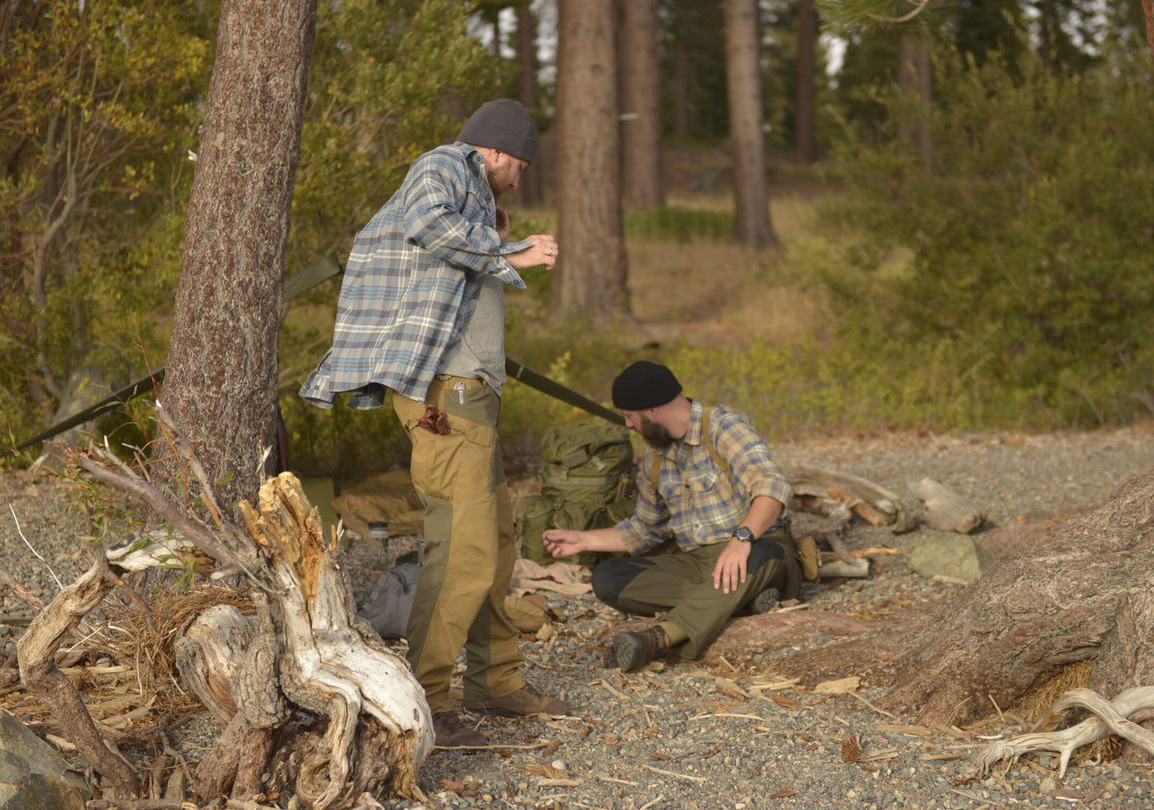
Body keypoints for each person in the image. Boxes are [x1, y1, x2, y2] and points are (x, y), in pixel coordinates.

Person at [300, 99, 567, 747]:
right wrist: (512, 251)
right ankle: (431, 700)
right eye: (521, 166)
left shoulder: (470, 191)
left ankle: (496, 681)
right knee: (466, 552)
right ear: (498, 150)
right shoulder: (445, 164)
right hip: (447, 397)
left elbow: (446, 252)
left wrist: (495, 234)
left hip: (469, 396)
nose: (520, 179)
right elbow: (426, 220)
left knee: (494, 544)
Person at [543, 361, 803, 672]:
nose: (628, 425)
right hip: (699, 563)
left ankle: (658, 638)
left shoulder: (724, 426)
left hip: (757, 547)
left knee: (755, 558)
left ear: (651, 410)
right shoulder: (656, 458)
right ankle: (741, 600)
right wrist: (583, 540)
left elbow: (772, 486)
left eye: (629, 416)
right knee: (608, 579)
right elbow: (643, 529)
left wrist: (742, 538)